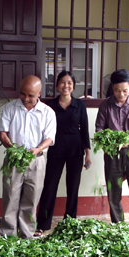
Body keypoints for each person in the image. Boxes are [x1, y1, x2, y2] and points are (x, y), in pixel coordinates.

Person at [0, 75, 56, 239]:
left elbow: (50, 138)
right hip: (14, 160)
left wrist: (37, 149)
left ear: (39, 93)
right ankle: (8, 236)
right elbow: (2, 132)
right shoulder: (10, 108)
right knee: (10, 198)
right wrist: (11, 147)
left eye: (31, 95)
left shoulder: (47, 112)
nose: (25, 98)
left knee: (31, 201)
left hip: (36, 162)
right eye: (23, 94)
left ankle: (26, 236)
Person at [34, 71, 91, 237]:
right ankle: (42, 224)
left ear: (73, 85)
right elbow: (43, 129)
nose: (66, 86)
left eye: (69, 83)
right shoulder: (49, 105)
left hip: (75, 150)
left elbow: (85, 130)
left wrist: (87, 153)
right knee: (49, 187)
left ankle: (70, 223)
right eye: (63, 82)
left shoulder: (80, 105)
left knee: (73, 188)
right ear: (57, 85)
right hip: (55, 149)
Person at [95, 69, 129, 224]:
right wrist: (110, 142)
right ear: (112, 87)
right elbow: (99, 129)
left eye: (125, 90)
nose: (121, 94)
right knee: (114, 192)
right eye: (117, 90)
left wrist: (128, 141)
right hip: (112, 153)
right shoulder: (105, 106)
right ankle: (118, 225)